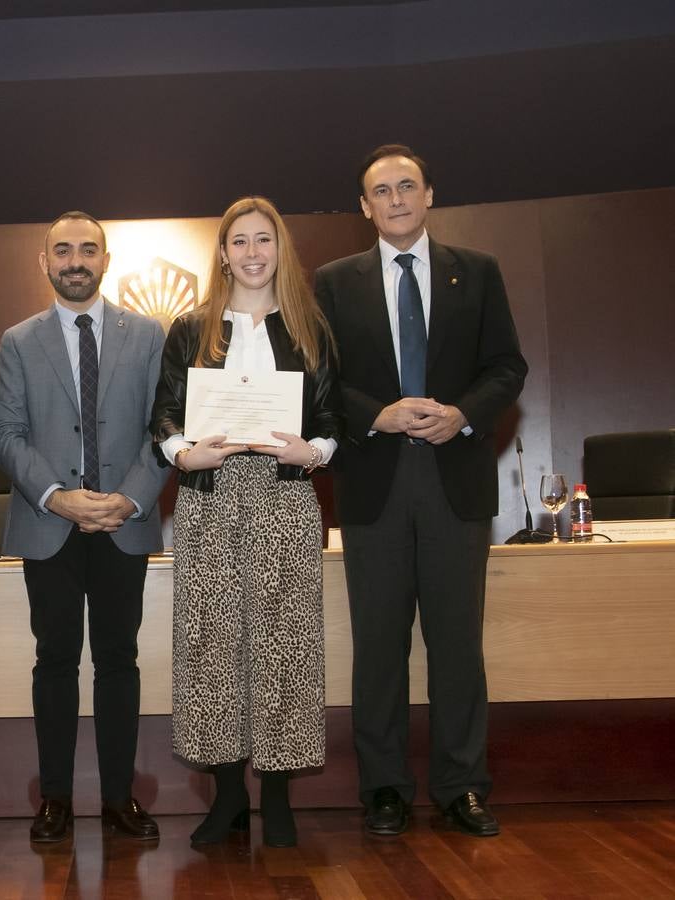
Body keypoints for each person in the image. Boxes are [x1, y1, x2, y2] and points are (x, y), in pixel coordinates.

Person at [315, 145, 527, 838]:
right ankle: (383, 788)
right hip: (372, 481)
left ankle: (463, 786)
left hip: (454, 480)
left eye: (408, 186)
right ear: (365, 206)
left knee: (457, 642)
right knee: (378, 645)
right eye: (383, 190)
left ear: (430, 194)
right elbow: (320, 379)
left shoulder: (480, 273)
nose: (397, 199)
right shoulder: (332, 283)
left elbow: (506, 366)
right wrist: (377, 414)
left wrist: (464, 413)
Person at [150, 197, 342, 847]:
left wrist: (312, 452)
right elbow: (164, 418)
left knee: (286, 646)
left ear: (279, 250)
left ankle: (279, 799)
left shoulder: (309, 326)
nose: (253, 252)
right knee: (212, 646)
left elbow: (333, 421)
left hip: (285, 499)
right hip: (209, 499)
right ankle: (229, 795)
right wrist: (185, 453)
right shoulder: (190, 329)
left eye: (264, 240)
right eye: (240, 241)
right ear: (223, 253)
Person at [0, 211, 169, 843]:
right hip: (50, 526)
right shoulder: (18, 340)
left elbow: (164, 431)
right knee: (55, 661)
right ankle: (56, 801)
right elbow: (5, 435)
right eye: (62, 250)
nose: (75, 260)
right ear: (44, 262)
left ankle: (119, 799)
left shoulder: (150, 335)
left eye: (87, 250)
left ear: (105, 258)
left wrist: (130, 499)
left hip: (125, 523)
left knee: (119, 660)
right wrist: (57, 497)